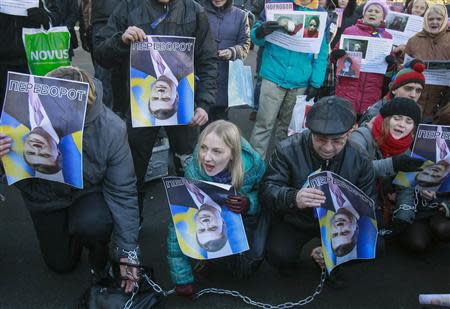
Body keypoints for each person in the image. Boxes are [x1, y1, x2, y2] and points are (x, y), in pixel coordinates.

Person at [0, 67, 140, 293]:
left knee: (95, 224)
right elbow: (13, 173)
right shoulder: (21, 117)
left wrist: (128, 252)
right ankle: (67, 239)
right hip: (44, 197)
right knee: (61, 264)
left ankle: (97, 249)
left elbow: (123, 191)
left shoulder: (112, 129)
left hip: (85, 193)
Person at [93, 0, 218, 216]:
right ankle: (133, 222)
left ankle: (188, 227)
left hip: (184, 109)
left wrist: (204, 103)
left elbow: (208, 60)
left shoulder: (195, 11)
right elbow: (101, 56)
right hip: (138, 109)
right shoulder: (128, 8)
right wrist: (120, 41)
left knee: (188, 169)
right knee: (133, 172)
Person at [259, 96, 376, 274]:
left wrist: (333, 249)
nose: (328, 148)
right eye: (320, 139)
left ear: (350, 132)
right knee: (279, 254)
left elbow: (369, 205)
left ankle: (335, 265)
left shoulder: (360, 158)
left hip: (341, 224)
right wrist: (293, 197)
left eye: (337, 140)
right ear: (309, 130)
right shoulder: (287, 149)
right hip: (298, 219)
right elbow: (267, 191)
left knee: (374, 244)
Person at [167, 120, 266, 298]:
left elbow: (266, 194)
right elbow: (177, 224)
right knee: (208, 242)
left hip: (244, 216)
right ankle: (210, 259)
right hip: (213, 214)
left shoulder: (253, 165)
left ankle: (222, 257)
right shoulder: (194, 171)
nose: (206, 157)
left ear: (233, 154)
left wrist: (249, 202)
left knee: (246, 268)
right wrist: (181, 278)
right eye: (203, 147)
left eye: (217, 151)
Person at [249, 0, 329, 158]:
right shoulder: (277, 5)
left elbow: (322, 51)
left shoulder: (321, 14)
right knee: (264, 124)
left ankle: (280, 166)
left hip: (300, 80)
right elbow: (256, 38)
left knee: (288, 130)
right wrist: (260, 31)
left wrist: (316, 81)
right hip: (274, 75)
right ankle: (254, 167)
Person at [2, 73, 85, 180]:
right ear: (59, 152)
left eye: (30, 152)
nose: (37, 149)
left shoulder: (10, 110)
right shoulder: (76, 117)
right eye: (44, 155)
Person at [332, 0, 393, 116]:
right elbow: (334, 57)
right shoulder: (350, 31)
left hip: (371, 91)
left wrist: (390, 63)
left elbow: (389, 69)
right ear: (364, 14)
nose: (372, 13)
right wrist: (336, 56)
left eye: (377, 11)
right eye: (369, 10)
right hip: (347, 89)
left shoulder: (386, 37)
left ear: (383, 17)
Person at [0, 0, 58, 112]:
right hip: (2, 60)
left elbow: (57, 13)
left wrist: (46, 19)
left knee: (29, 111)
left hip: (31, 61)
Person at [200, 0, 251, 122]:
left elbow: (246, 45)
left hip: (226, 80)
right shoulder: (199, 11)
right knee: (197, 124)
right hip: (201, 78)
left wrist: (232, 52)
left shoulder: (241, 16)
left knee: (219, 125)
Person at [405, 4, 450, 123]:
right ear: (425, 20)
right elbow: (403, 67)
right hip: (416, 99)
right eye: (430, 19)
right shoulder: (414, 40)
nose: (434, 22)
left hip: (442, 103)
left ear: (445, 19)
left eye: (439, 19)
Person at [359, 59, 425, 125]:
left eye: (418, 90)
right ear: (393, 89)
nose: (413, 95)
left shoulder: (416, 113)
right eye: (408, 88)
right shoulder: (375, 114)